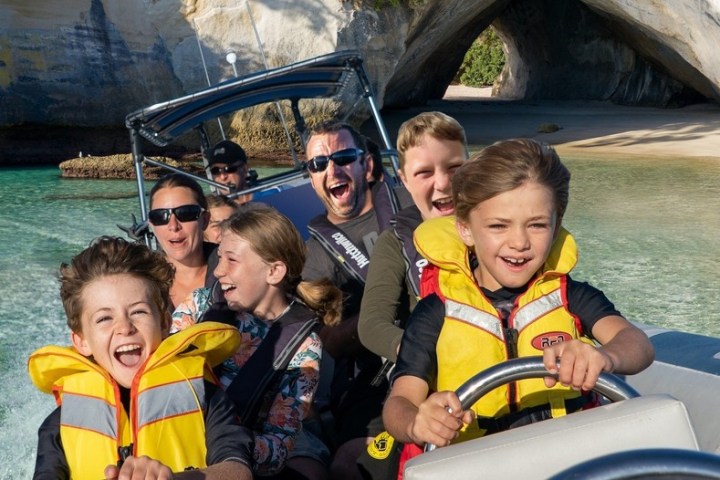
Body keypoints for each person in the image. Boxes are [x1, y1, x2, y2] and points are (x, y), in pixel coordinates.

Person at [383, 138, 655, 452]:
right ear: (465, 229)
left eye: (537, 225)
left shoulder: (571, 297)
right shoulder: (435, 312)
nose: (519, 242)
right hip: (474, 464)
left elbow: (638, 345)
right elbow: (398, 404)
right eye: (499, 226)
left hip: (567, 458)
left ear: (556, 227)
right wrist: (417, 421)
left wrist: (605, 356)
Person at [28, 236, 254, 480]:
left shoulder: (204, 396)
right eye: (104, 318)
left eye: (138, 312)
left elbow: (238, 470)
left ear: (165, 323)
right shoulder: (59, 423)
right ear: (81, 340)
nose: (125, 327)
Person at [173, 204, 343, 479]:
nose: (217, 271)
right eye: (219, 257)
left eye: (232, 260)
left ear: (274, 271)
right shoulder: (198, 306)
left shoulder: (303, 348)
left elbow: (277, 448)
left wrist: (224, 447)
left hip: (237, 460)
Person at [302, 121, 405, 478]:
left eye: (344, 157)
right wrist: (381, 322)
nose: (332, 170)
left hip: (450, 341)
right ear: (312, 178)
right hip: (379, 375)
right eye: (319, 165)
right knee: (350, 461)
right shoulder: (315, 256)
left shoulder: (408, 205)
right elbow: (327, 341)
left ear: (368, 165)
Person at [358, 112, 468, 366]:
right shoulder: (394, 243)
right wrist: (420, 352)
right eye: (424, 173)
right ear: (404, 180)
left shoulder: (501, 226)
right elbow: (372, 324)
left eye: (454, 167)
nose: (442, 183)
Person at [148, 173, 214, 312]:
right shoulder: (142, 280)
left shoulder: (235, 269)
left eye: (186, 213)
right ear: (152, 225)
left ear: (205, 220)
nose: (173, 226)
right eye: (161, 216)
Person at [207, 139, 251, 204]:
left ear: (245, 169)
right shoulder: (210, 210)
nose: (222, 177)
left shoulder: (264, 202)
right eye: (215, 170)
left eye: (228, 169)